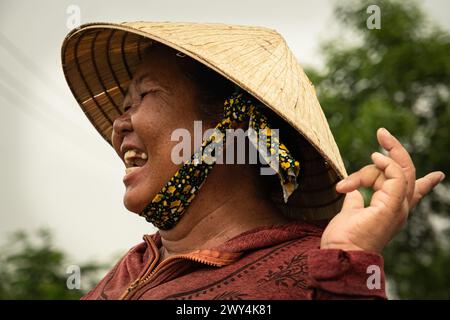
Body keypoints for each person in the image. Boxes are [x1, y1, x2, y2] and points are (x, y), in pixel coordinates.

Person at [61, 22, 445, 300]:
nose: (119, 124)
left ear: (229, 127)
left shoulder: (314, 269)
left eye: (144, 95)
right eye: (124, 105)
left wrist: (349, 258)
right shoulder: (128, 271)